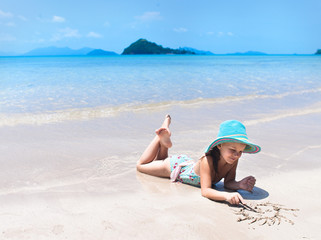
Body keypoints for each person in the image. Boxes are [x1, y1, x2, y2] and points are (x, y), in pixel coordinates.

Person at [136, 115, 261, 205]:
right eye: (233, 149)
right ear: (219, 145)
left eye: (240, 151)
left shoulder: (233, 160)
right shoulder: (208, 160)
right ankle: (159, 137)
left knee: (160, 159)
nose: (236, 154)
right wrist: (226, 196)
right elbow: (205, 191)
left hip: (187, 164)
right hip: (175, 167)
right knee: (141, 166)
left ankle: (164, 142)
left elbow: (229, 182)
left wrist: (239, 184)